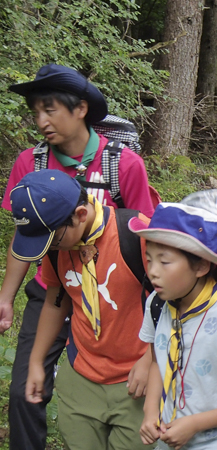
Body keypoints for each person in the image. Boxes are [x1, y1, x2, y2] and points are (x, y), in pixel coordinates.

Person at [0, 64, 155, 450]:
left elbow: (146, 236)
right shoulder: (29, 163)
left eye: (50, 109)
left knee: (121, 382)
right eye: (36, 111)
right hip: (54, 286)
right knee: (23, 392)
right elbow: (26, 236)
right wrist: (5, 297)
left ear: (80, 108)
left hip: (116, 293)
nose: (41, 120)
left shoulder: (122, 165)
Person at [10, 170, 152, 449]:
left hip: (136, 379)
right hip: (82, 375)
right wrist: (37, 361)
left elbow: (173, 304)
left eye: (51, 238)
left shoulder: (137, 233)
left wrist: (151, 361)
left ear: (81, 215)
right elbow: (56, 298)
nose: (48, 246)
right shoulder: (56, 246)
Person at [133, 203, 217, 449]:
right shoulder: (157, 304)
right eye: (149, 259)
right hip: (169, 438)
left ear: (201, 266)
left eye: (164, 262)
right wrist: (151, 410)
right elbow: (158, 361)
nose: (152, 272)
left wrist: (195, 424)